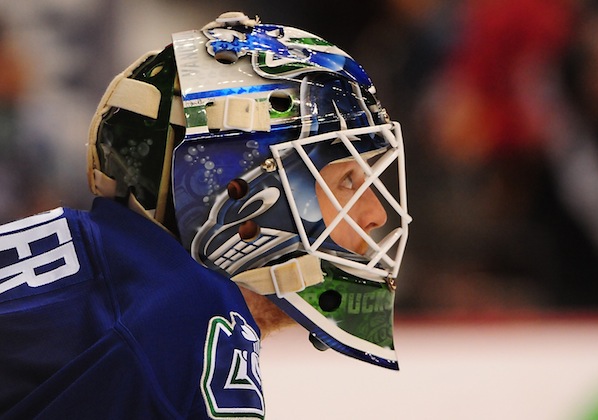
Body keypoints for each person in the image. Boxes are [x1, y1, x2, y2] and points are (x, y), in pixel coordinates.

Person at [0, 11, 411, 419]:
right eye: (347, 181)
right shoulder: (191, 324)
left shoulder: (98, 267)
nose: (375, 214)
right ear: (240, 189)